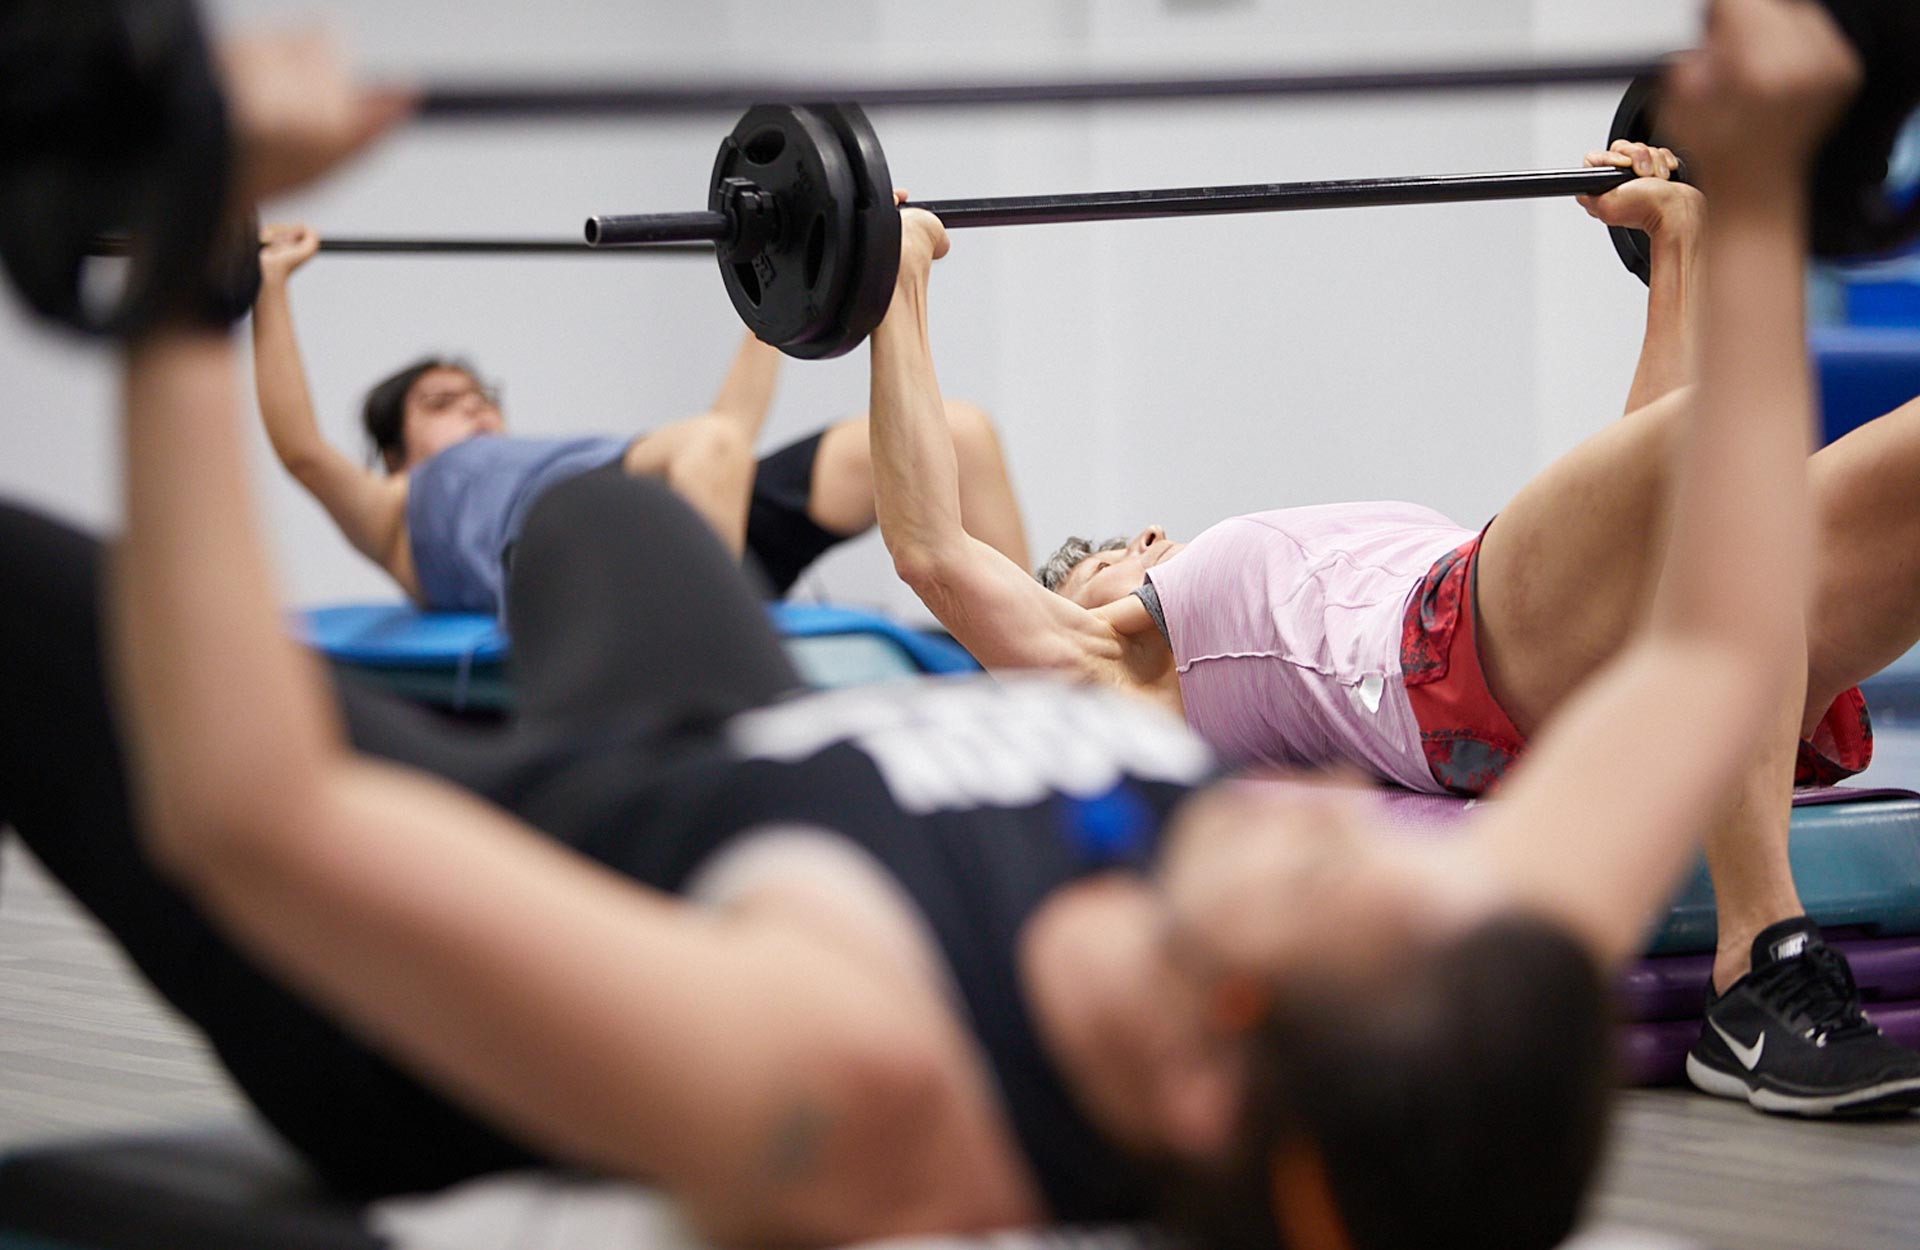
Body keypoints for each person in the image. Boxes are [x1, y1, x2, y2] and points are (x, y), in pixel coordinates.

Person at [0, 8, 1887, 1250]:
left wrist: (192, 256)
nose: (1339, 819)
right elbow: (1724, 650)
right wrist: (1780, 184)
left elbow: (253, 815)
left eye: (1324, 872)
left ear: (1204, 1063)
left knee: (27, 594)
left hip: (532, 887)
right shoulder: (1440, 993)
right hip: (739, 744)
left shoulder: (852, 1072)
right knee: (596, 518)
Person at [865, 70, 1920, 1116]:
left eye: (1106, 548)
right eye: (1085, 570)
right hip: (1454, 662)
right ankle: (1760, 971)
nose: (1111, 562)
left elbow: (1661, 510)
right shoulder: (1115, 673)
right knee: (1739, 420)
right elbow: (930, 549)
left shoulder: (1253, 562)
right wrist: (895, 284)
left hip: (1561, 631)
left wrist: (1677, 240)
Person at [250, 223, 1030, 610]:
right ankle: (711, 687)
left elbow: (728, 433)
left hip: (689, 517)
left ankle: (1047, 669)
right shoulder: (395, 513)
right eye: (443, 404)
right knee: (712, 446)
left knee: (963, 433)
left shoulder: (566, 457)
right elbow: (303, 452)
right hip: (599, 570)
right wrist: (270, 286)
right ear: (393, 453)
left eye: (481, 395)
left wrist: (796, 259)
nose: (477, 409)